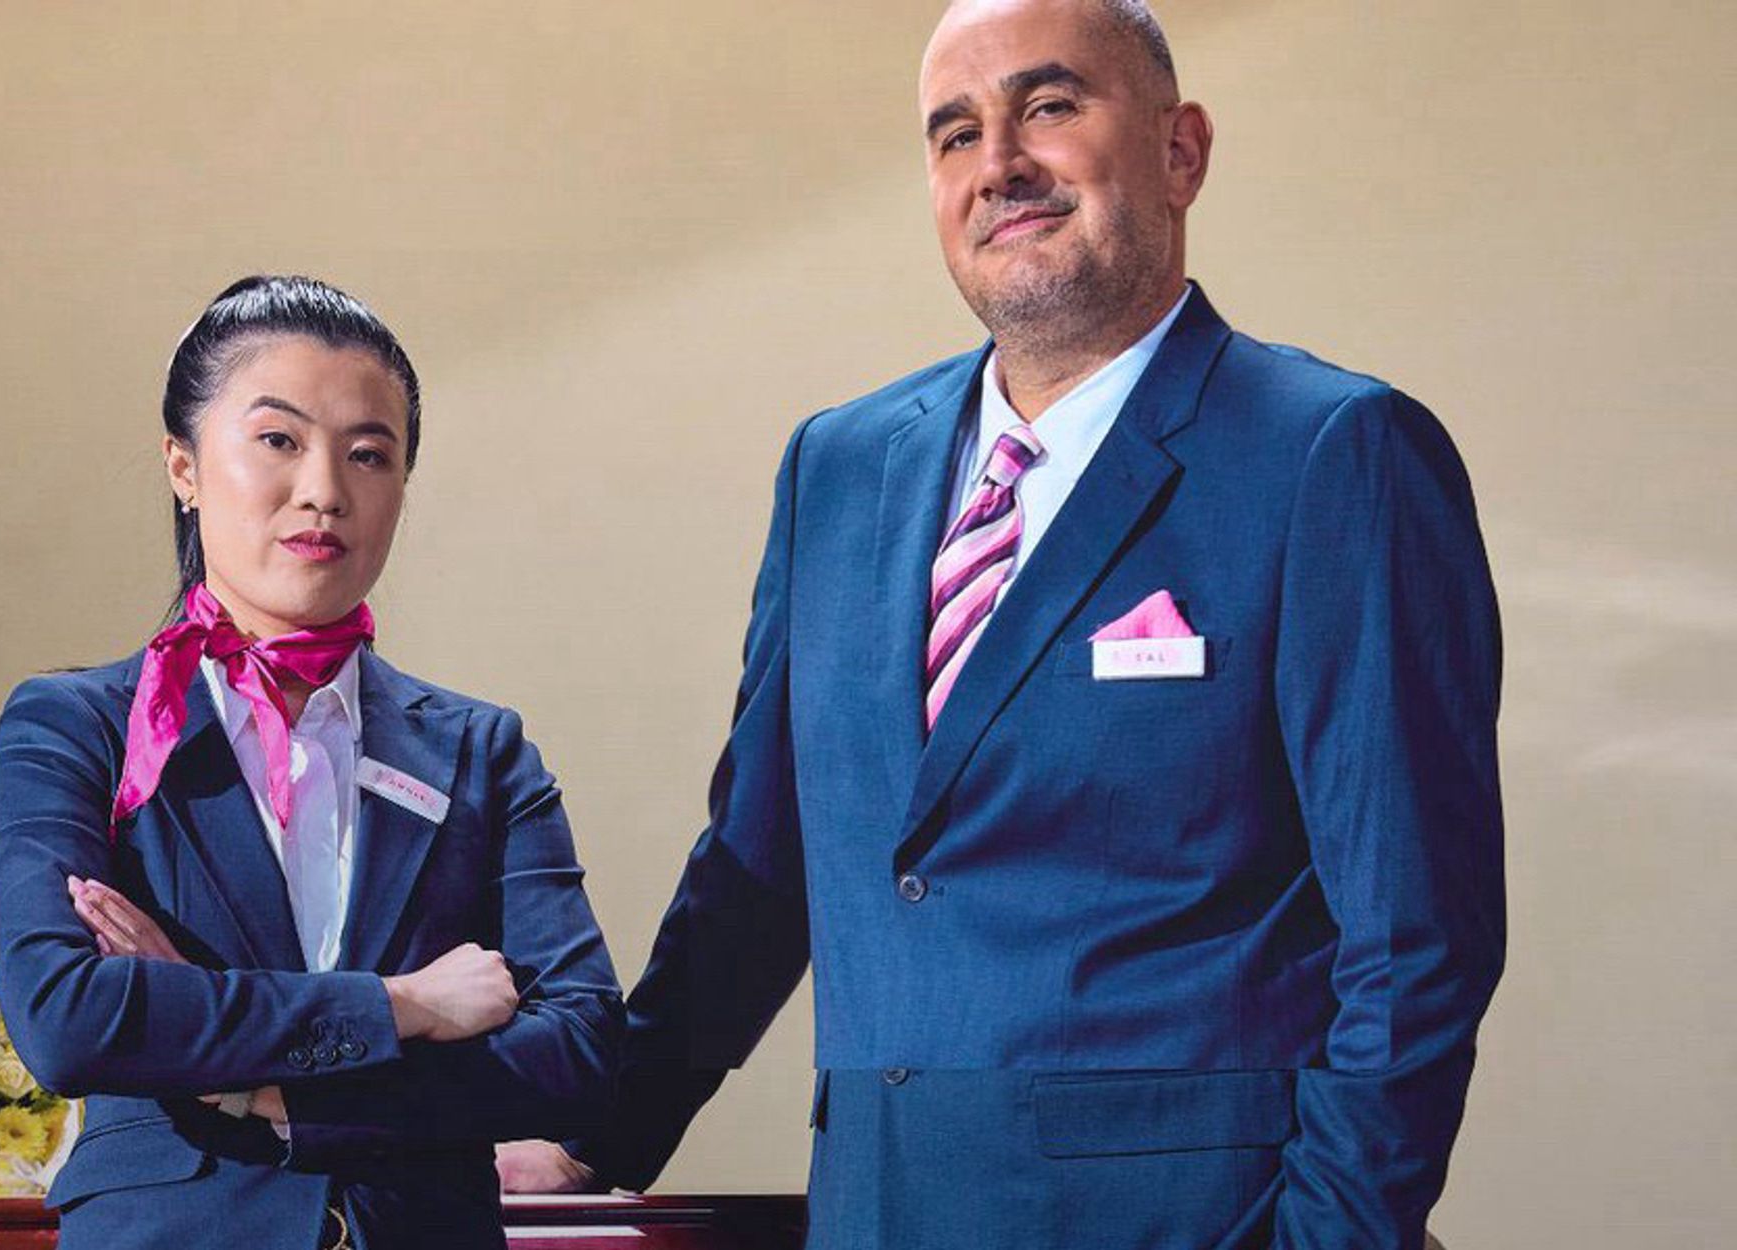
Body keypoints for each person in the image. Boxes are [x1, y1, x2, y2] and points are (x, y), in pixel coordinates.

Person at [499, 2, 1505, 1247]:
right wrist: (597, 1136)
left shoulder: (1328, 454)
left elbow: (1414, 939)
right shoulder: (838, 466)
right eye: (953, 133)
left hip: (1198, 1223)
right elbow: (758, 876)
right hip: (876, 1213)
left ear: (1180, 150)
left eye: (1049, 107)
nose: (998, 166)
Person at [0, 275, 623, 1250]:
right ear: (183, 465)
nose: (324, 489)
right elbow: (69, 1015)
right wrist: (403, 1004)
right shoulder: (75, 727)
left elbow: (577, 1046)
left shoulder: (479, 748)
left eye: (369, 453)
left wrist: (257, 1083)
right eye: (278, 439)